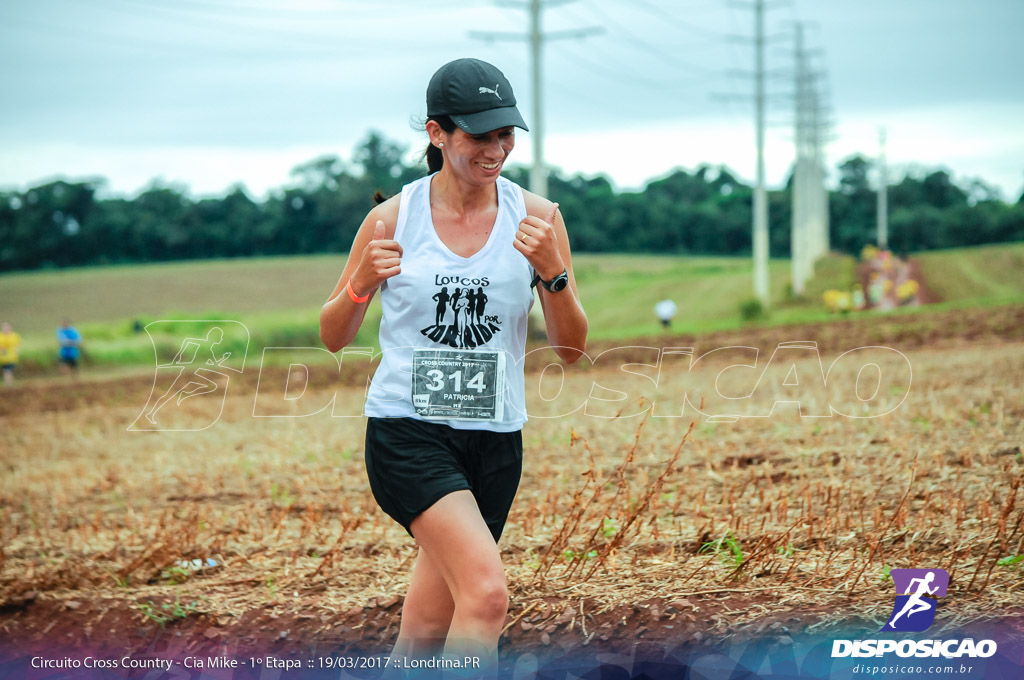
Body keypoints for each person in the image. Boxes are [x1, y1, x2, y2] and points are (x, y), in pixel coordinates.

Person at [319, 58, 587, 669]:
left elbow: (571, 348)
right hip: (409, 436)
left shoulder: (540, 220)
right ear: (437, 134)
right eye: (479, 135)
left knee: (424, 627)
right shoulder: (393, 219)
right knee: (487, 597)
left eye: (506, 134)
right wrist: (361, 281)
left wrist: (555, 275)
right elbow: (334, 336)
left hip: (495, 441)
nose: (496, 149)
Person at [0, 321, 21, 386]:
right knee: (7, 372)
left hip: (11, 358)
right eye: (4, 327)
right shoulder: (1, 336)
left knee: (7, 371)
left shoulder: (14, 336)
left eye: (7, 327)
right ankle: (9, 384)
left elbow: (18, 346)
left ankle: (8, 384)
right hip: (2, 359)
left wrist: (17, 352)